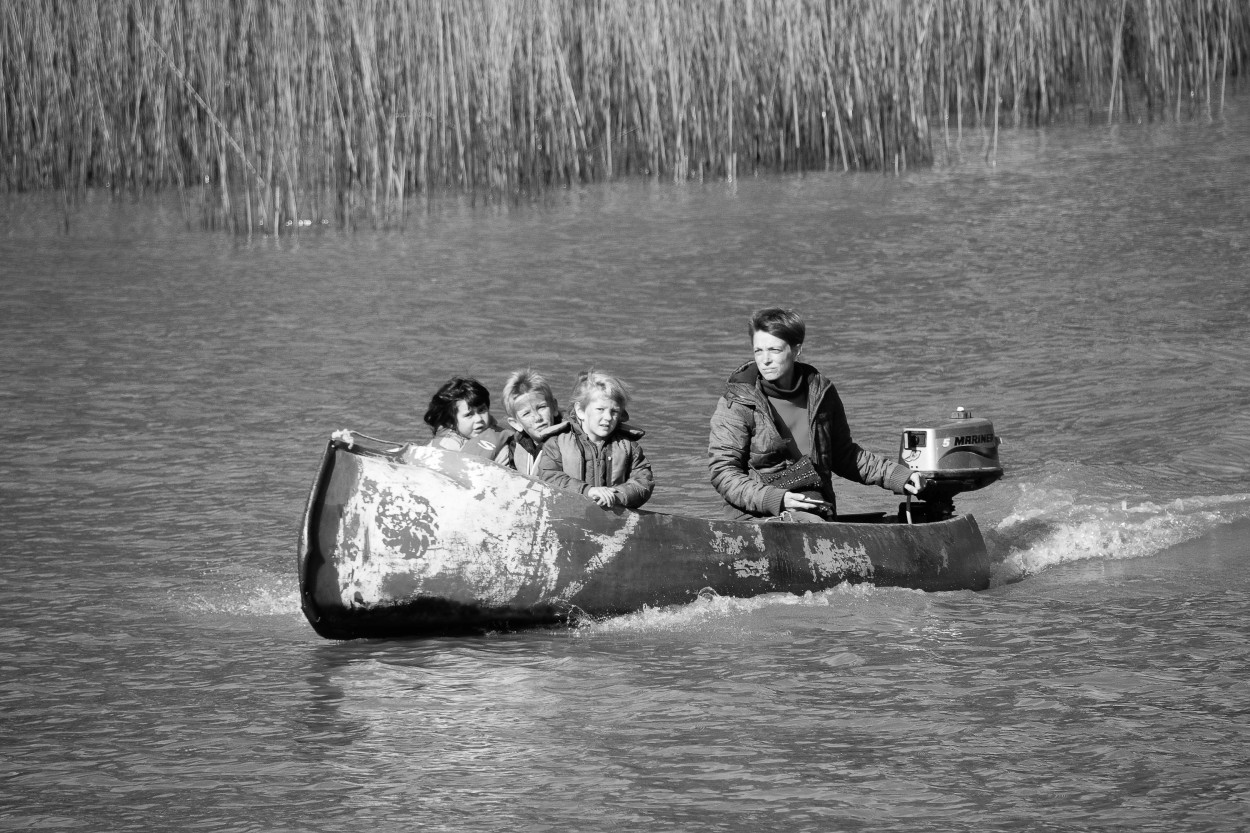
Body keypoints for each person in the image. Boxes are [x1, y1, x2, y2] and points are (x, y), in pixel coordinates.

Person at [708, 307, 923, 522]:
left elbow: (844, 456)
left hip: (814, 508)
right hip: (754, 516)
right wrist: (776, 499)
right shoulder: (737, 401)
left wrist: (898, 476)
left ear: (796, 349)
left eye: (774, 350)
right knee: (809, 522)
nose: (764, 360)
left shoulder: (822, 394)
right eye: (758, 351)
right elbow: (724, 472)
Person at [536, 370, 654, 509]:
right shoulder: (557, 442)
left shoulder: (628, 446)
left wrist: (618, 495)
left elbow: (643, 482)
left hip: (613, 517)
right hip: (566, 514)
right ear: (580, 411)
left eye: (614, 411)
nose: (608, 417)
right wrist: (588, 491)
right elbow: (549, 476)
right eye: (600, 409)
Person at [421, 376, 512, 465]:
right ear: (451, 422)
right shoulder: (438, 449)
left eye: (481, 410)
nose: (479, 419)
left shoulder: (502, 450)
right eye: (469, 415)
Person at [500, 369, 570, 476]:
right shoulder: (515, 447)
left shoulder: (571, 441)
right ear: (515, 423)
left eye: (541, 407)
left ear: (554, 407)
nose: (537, 418)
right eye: (526, 414)